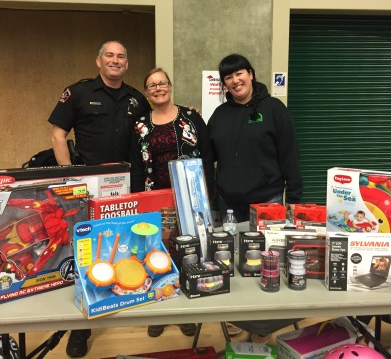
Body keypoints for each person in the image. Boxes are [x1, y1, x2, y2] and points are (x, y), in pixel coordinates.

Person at [48, 39, 151, 358]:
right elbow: (57, 135)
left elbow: (153, 131)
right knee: (88, 253)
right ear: (98, 61)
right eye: (110, 55)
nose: (115, 60)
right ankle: (81, 328)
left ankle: (151, 311)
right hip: (89, 189)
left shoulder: (137, 98)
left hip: (129, 187)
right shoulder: (78, 93)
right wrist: (70, 180)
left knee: (136, 247)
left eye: (121, 56)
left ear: (127, 64)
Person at [208, 53, 303, 342]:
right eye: (228, 76)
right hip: (228, 204)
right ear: (224, 83)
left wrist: (295, 197)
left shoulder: (274, 109)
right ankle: (238, 317)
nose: (235, 80)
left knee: (268, 262)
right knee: (233, 263)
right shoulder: (219, 115)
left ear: (250, 74)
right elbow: (208, 156)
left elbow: (290, 154)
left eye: (239, 73)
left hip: (268, 202)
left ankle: (267, 320)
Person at [129, 67, 213, 338]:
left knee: (187, 249)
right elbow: (137, 165)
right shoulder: (140, 124)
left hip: (189, 196)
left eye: (162, 83)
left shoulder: (190, 117)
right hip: (156, 197)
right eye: (152, 85)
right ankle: (160, 307)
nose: (158, 88)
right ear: (146, 92)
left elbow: (208, 155)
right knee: (158, 251)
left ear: (170, 86)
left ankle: (185, 309)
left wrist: (207, 193)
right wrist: (138, 199)